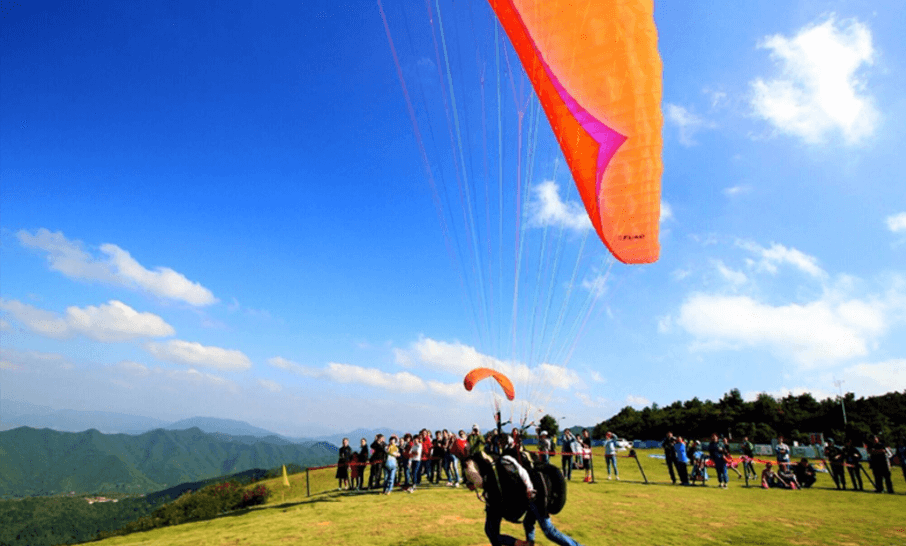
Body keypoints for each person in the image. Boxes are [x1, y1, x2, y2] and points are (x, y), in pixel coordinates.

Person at [450, 439, 585, 546]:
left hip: (532, 493)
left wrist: (528, 488)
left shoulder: (496, 460)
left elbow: (519, 472)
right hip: (527, 493)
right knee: (528, 523)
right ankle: (528, 543)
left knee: (549, 531)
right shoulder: (495, 458)